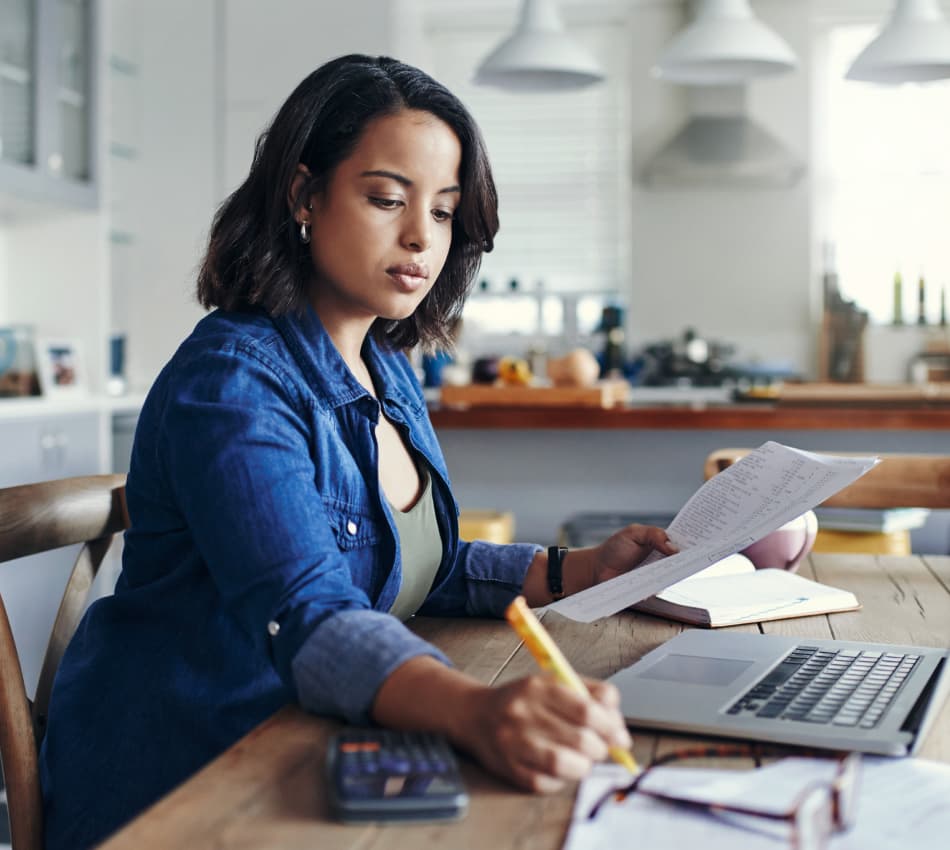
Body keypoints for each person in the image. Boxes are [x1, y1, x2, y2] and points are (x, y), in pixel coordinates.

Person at [39, 54, 676, 849]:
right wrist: (476, 709)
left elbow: (416, 564)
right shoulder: (233, 382)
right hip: (192, 781)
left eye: (444, 212)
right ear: (304, 195)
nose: (420, 237)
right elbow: (310, 611)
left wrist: (577, 571)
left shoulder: (387, 367)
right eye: (386, 199)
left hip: (309, 745)